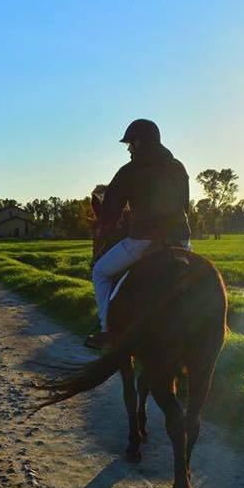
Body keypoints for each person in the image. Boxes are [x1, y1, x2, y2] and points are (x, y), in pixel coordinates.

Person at [85, 119, 191, 349]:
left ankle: (107, 330)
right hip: (182, 240)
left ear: (139, 142)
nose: (129, 150)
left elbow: (110, 215)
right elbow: (186, 206)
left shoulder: (129, 171)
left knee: (101, 272)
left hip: (144, 240)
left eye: (130, 145)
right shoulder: (178, 167)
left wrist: (106, 231)